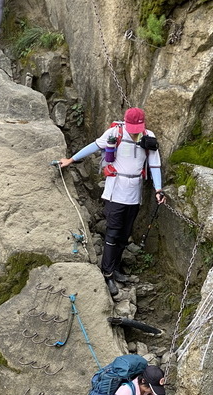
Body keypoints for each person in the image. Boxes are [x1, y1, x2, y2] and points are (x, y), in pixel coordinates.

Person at [59, 107, 165, 297]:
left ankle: (115, 268)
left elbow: (154, 165)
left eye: (137, 128)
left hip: (134, 191)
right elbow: (94, 146)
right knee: (113, 232)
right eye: (132, 127)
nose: (134, 132)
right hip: (116, 190)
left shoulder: (148, 136)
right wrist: (71, 160)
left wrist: (158, 189)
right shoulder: (115, 133)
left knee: (125, 234)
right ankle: (106, 273)